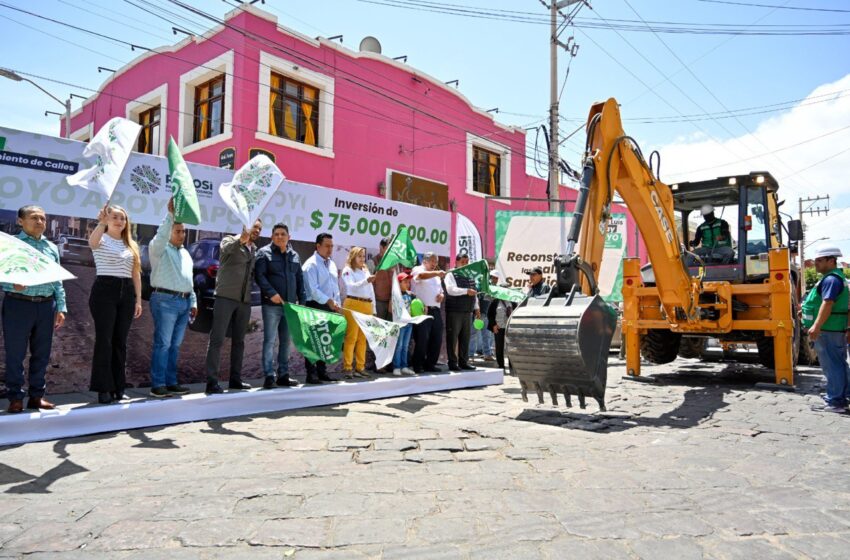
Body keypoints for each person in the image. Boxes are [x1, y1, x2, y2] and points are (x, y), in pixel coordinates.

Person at [1, 205, 66, 413]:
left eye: (43, 219)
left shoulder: (51, 248)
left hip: (46, 305)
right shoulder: (12, 245)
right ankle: (15, 397)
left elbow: (58, 281)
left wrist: (61, 307)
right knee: (15, 353)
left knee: (42, 353)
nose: (40, 222)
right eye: (34, 218)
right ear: (20, 221)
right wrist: (12, 284)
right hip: (18, 304)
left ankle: (37, 396)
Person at [88, 204, 143, 405]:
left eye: (123, 218)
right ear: (107, 219)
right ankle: (104, 388)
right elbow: (92, 243)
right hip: (104, 290)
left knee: (120, 341)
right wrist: (100, 223)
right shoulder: (100, 238)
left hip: (126, 292)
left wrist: (138, 299)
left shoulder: (131, 245)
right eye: (115, 217)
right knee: (105, 340)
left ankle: (119, 386)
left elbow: (135, 274)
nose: (119, 221)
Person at [204, 219, 262, 395]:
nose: (257, 231)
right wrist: (241, 240)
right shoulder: (229, 240)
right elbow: (226, 250)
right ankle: (211, 382)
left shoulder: (254, 250)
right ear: (246, 226)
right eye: (255, 227)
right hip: (225, 298)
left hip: (244, 302)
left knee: (240, 341)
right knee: (217, 340)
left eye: (260, 228)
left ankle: (235, 379)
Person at [147, 198, 195, 398]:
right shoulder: (159, 249)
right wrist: (170, 216)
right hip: (164, 301)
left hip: (184, 302)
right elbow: (159, 237)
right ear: (169, 232)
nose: (182, 234)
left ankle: (171, 382)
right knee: (163, 344)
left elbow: (189, 280)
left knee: (174, 345)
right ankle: (158, 384)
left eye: (184, 231)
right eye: (178, 231)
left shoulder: (186, 253)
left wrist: (193, 302)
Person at [255, 223, 306, 390]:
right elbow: (259, 277)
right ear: (272, 236)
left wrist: (302, 305)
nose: (279, 237)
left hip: (290, 307)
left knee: (286, 342)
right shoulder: (263, 253)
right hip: (271, 306)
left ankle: (283, 375)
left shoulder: (295, 256)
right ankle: (269, 376)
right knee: (269, 341)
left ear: (288, 237)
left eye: (283, 234)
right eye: (276, 234)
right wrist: (271, 293)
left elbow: (300, 282)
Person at [802, 246, 850, 413]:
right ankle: (842, 396)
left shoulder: (831, 280)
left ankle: (836, 402)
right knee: (838, 363)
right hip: (834, 328)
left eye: (820, 261)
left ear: (831, 261)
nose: (816, 264)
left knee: (832, 365)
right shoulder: (836, 278)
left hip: (828, 329)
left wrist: (816, 326)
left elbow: (827, 303)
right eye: (816, 261)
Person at [302, 233, 341, 384]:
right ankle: (311, 374)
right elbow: (312, 290)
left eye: (332, 246)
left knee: (325, 340)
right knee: (313, 341)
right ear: (318, 246)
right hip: (315, 305)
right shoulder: (310, 265)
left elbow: (334, 286)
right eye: (327, 246)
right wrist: (329, 301)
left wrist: (336, 302)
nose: (330, 249)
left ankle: (321, 372)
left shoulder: (331, 263)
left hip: (330, 306)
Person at [340, 246, 376, 379]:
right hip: (353, 303)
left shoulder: (365, 270)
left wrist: (374, 308)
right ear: (353, 256)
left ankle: (360, 367)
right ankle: (348, 367)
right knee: (351, 337)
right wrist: (366, 281)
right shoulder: (348, 270)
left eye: (363, 256)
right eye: (359, 256)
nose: (362, 259)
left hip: (367, 305)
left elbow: (370, 290)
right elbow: (350, 286)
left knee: (362, 338)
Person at [444, 254, 480, 372]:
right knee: (453, 338)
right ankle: (452, 363)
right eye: (463, 261)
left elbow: (474, 293)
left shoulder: (470, 275)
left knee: (465, 338)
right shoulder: (451, 274)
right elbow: (450, 290)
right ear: (457, 262)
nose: (465, 264)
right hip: (455, 311)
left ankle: (464, 362)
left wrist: (477, 308)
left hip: (467, 311)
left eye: (467, 261)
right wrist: (466, 291)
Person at [411, 252, 445, 373]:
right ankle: (418, 364)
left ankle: (430, 364)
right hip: (422, 310)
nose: (434, 264)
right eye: (432, 261)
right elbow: (420, 276)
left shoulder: (436, 276)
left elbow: (441, 291)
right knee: (422, 338)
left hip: (435, 309)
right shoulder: (418, 269)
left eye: (436, 262)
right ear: (424, 261)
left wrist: (441, 295)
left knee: (437, 337)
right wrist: (436, 272)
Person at [469, 269, 499, 363]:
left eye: (496, 278)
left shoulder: (492, 288)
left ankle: (486, 354)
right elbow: (476, 299)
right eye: (494, 277)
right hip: (479, 314)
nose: (495, 279)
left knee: (485, 335)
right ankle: (471, 354)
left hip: (485, 315)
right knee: (475, 335)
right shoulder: (481, 286)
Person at [392, 272, 415, 376]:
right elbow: (390, 309)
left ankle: (404, 366)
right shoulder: (395, 295)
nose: (407, 284)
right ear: (399, 283)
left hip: (409, 323)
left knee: (405, 346)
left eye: (408, 282)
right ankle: (396, 367)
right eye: (405, 282)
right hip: (399, 324)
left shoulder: (410, 295)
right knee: (399, 345)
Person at [488, 288, 517, 370]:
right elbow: (490, 314)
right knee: (499, 347)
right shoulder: (495, 301)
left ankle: (512, 365)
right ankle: (501, 365)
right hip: (499, 327)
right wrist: (493, 325)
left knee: (511, 347)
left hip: (510, 328)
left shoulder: (513, 301)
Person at [372, 237, 393, 320]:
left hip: (392, 304)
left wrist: (392, 300)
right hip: (378, 303)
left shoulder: (394, 264)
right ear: (381, 247)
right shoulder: (373, 262)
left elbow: (397, 282)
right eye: (389, 248)